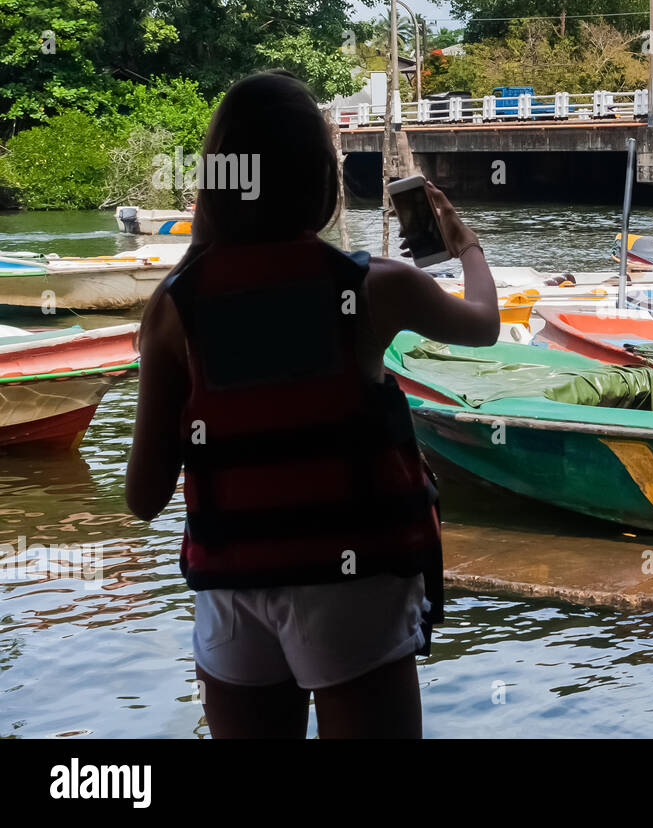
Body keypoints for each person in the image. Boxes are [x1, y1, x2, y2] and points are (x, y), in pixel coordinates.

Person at [125, 70, 499, 738]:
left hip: (233, 592)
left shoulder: (175, 310)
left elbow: (143, 498)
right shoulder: (378, 287)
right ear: (321, 180)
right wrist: (466, 247)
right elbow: (482, 323)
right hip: (349, 588)